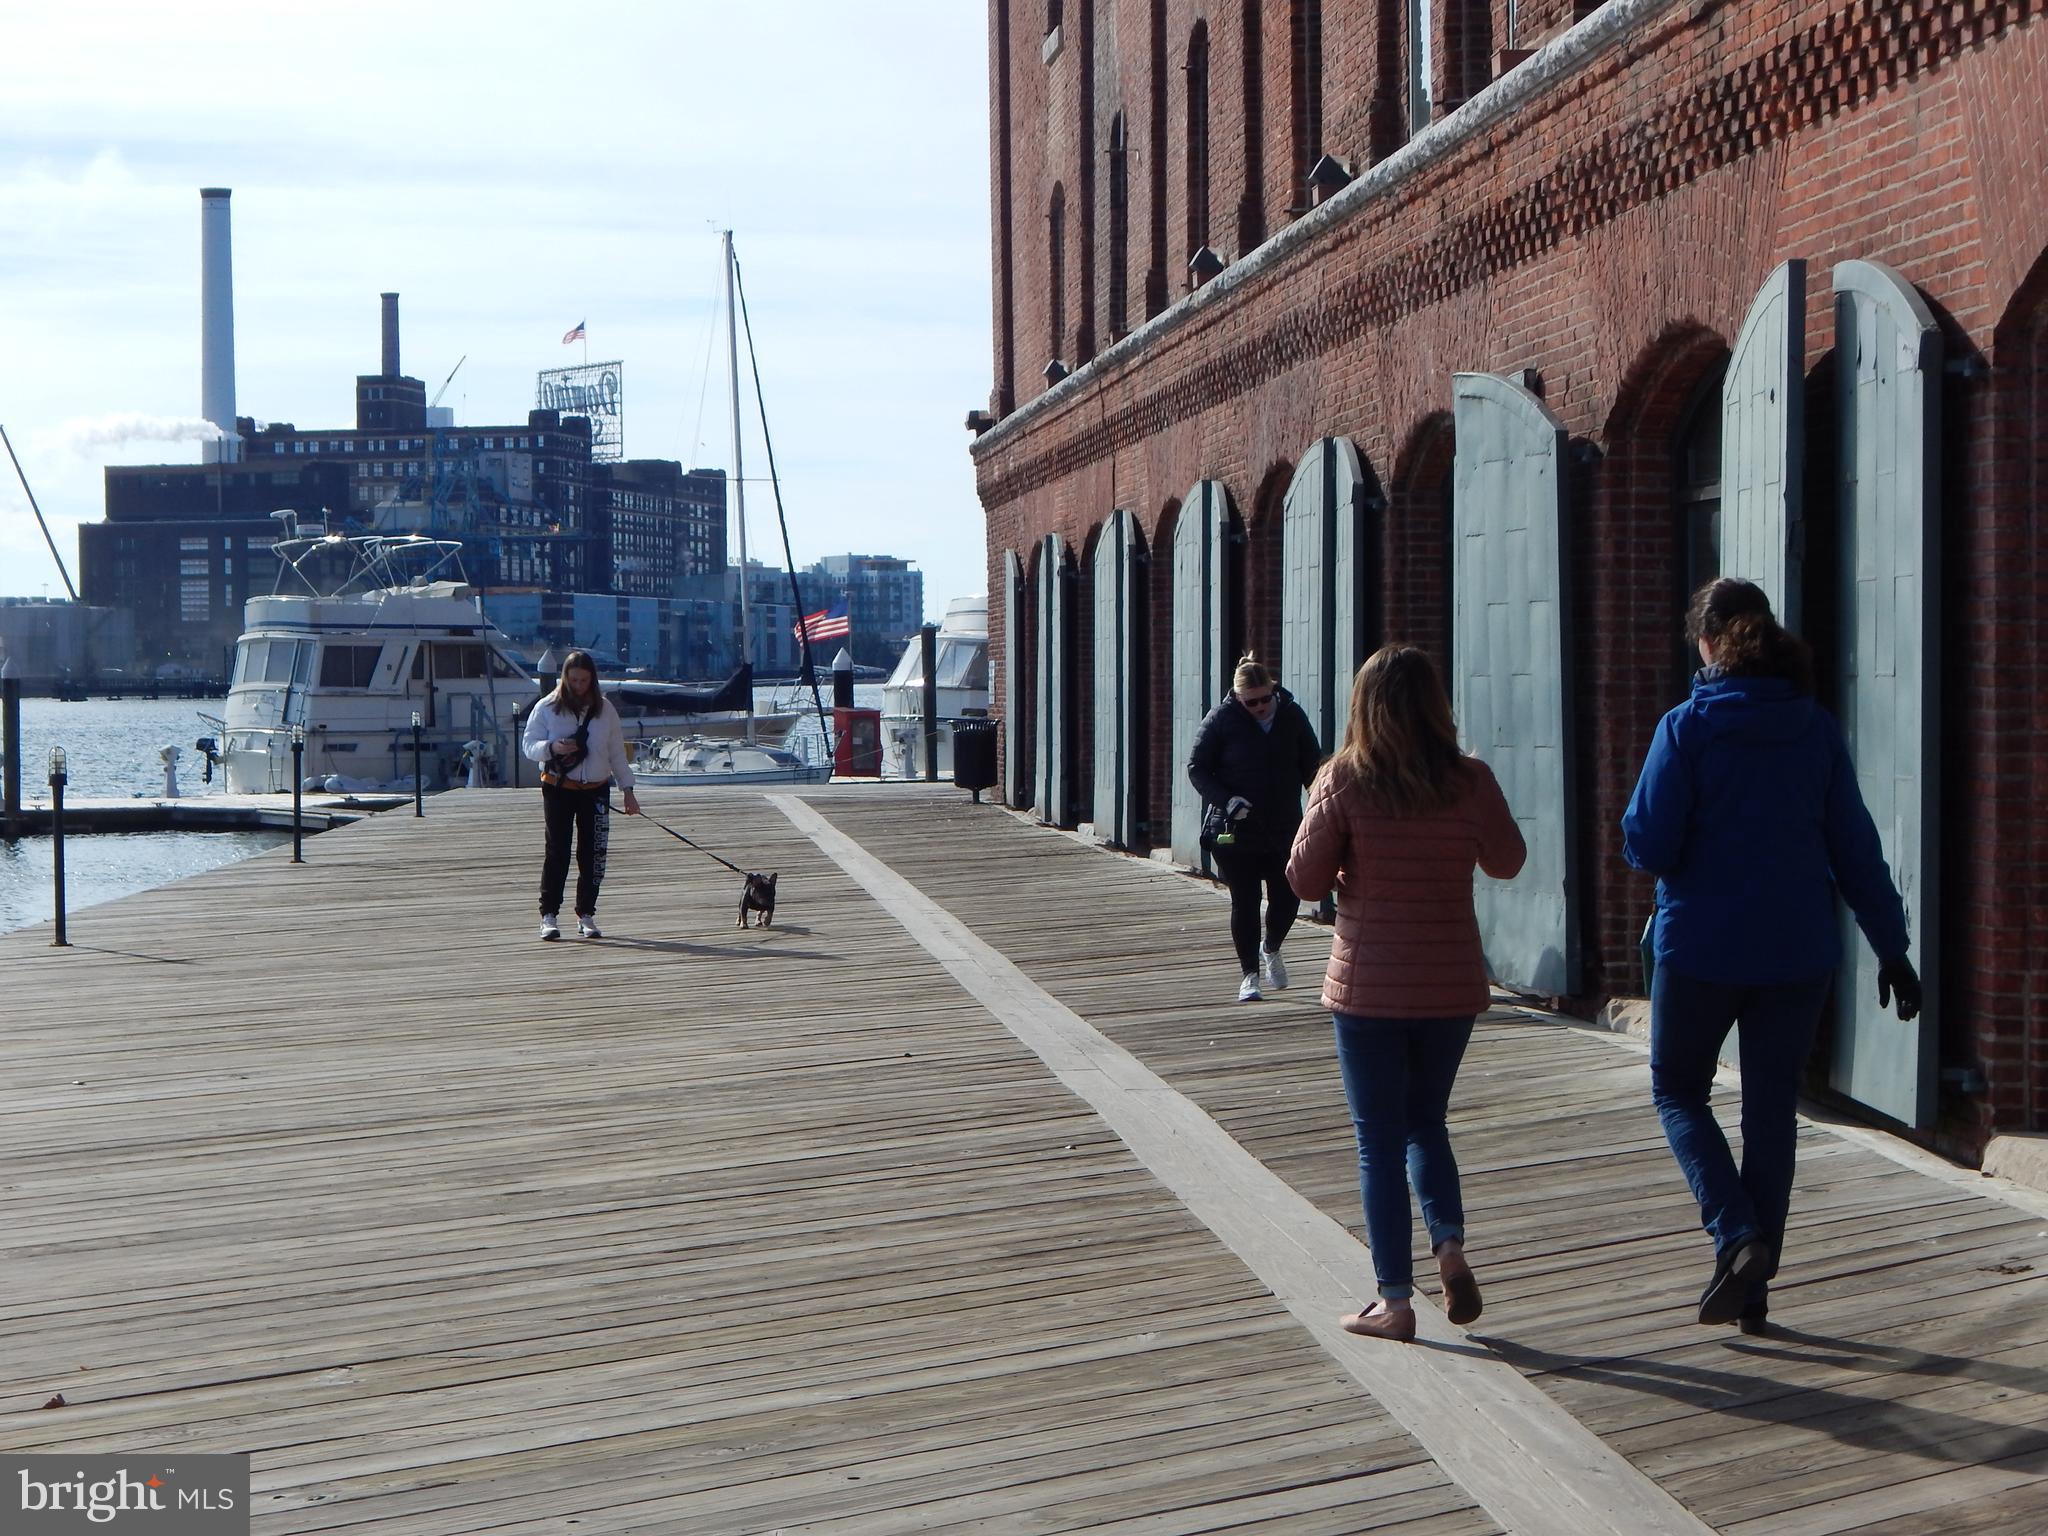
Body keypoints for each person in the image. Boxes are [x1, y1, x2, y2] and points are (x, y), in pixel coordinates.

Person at [1623, 578, 1920, 1334]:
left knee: (1678, 1089)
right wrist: (1893, 949)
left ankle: (1736, 1236)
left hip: (1700, 948)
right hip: (1797, 952)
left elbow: (1648, 843)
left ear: (1708, 642)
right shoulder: (1814, 727)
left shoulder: (1686, 729)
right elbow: (1856, 848)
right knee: (1770, 1112)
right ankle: (1752, 1296)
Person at [1287, 646, 1526, 1341]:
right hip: (1449, 984)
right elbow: (1508, 862)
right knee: (1427, 1122)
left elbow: (1303, 881)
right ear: (1434, 705)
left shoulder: (1343, 781)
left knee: (1377, 1143)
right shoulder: (1469, 779)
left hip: (1368, 990)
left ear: (1365, 707)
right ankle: (1449, 1245)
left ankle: (1394, 1301)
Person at [1188, 653, 1323, 1001]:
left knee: (1288, 898)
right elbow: (1197, 767)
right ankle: (1249, 975)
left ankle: (1272, 946)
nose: (1261, 706)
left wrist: (1322, 803)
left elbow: (1312, 764)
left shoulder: (1292, 715)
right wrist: (1227, 799)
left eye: (1266, 698)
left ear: (1274, 690)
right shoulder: (1221, 719)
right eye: (1252, 702)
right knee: (1244, 902)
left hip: (1284, 827)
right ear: (1237, 698)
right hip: (1236, 828)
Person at [521, 649, 640, 940]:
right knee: (557, 852)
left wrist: (628, 790)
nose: (578, 686)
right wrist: (553, 747)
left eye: (584, 680)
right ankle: (548, 915)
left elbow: (616, 753)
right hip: (558, 787)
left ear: (593, 680)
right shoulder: (547, 706)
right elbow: (528, 745)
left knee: (593, 854)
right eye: (573, 680)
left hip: (596, 790)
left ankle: (586, 914)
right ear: (564, 678)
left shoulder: (605, 709)